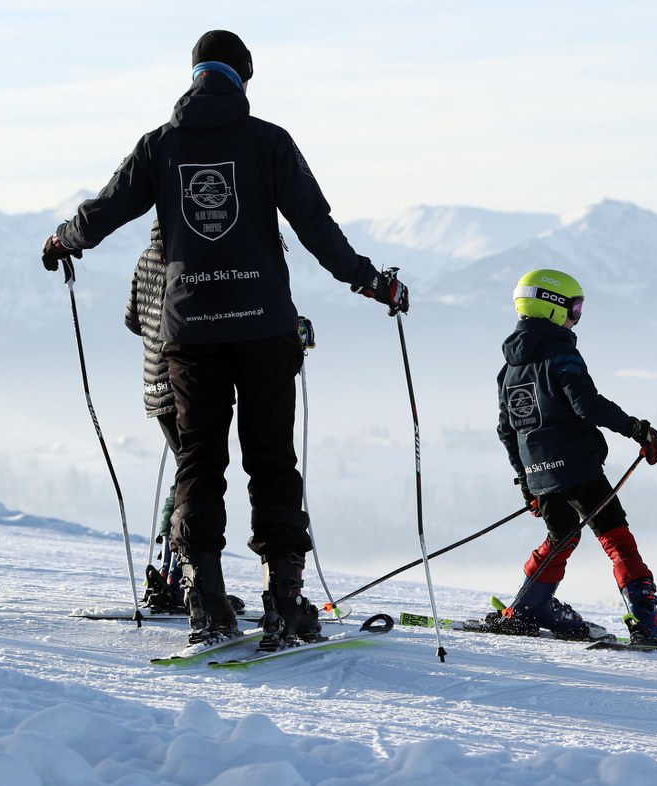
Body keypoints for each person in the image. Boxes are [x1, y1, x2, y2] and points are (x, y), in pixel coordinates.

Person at [40, 30, 409, 649]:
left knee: (199, 463)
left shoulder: (159, 146)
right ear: (243, 77)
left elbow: (104, 211)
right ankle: (284, 608)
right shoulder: (269, 141)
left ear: (194, 76)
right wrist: (371, 282)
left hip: (190, 334)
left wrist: (62, 240)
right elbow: (317, 227)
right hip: (265, 329)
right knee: (271, 463)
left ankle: (206, 606)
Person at [491, 269, 657, 646]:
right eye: (575, 307)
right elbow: (586, 404)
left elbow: (508, 429)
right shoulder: (560, 352)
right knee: (615, 534)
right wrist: (637, 429)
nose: (577, 316)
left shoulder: (508, 369)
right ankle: (648, 620)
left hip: (539, 471)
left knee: (561, 534)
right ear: (551, 307)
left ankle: (529, 606)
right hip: (578, 464)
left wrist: (525, 479)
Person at [124, 218, 187, 612]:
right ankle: (175, 577)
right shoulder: (184, 262)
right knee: (195, 474)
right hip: (182, 379)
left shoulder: (145, 259)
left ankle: (170, 573)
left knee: (187, 470)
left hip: (152, 383)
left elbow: (132, 320)